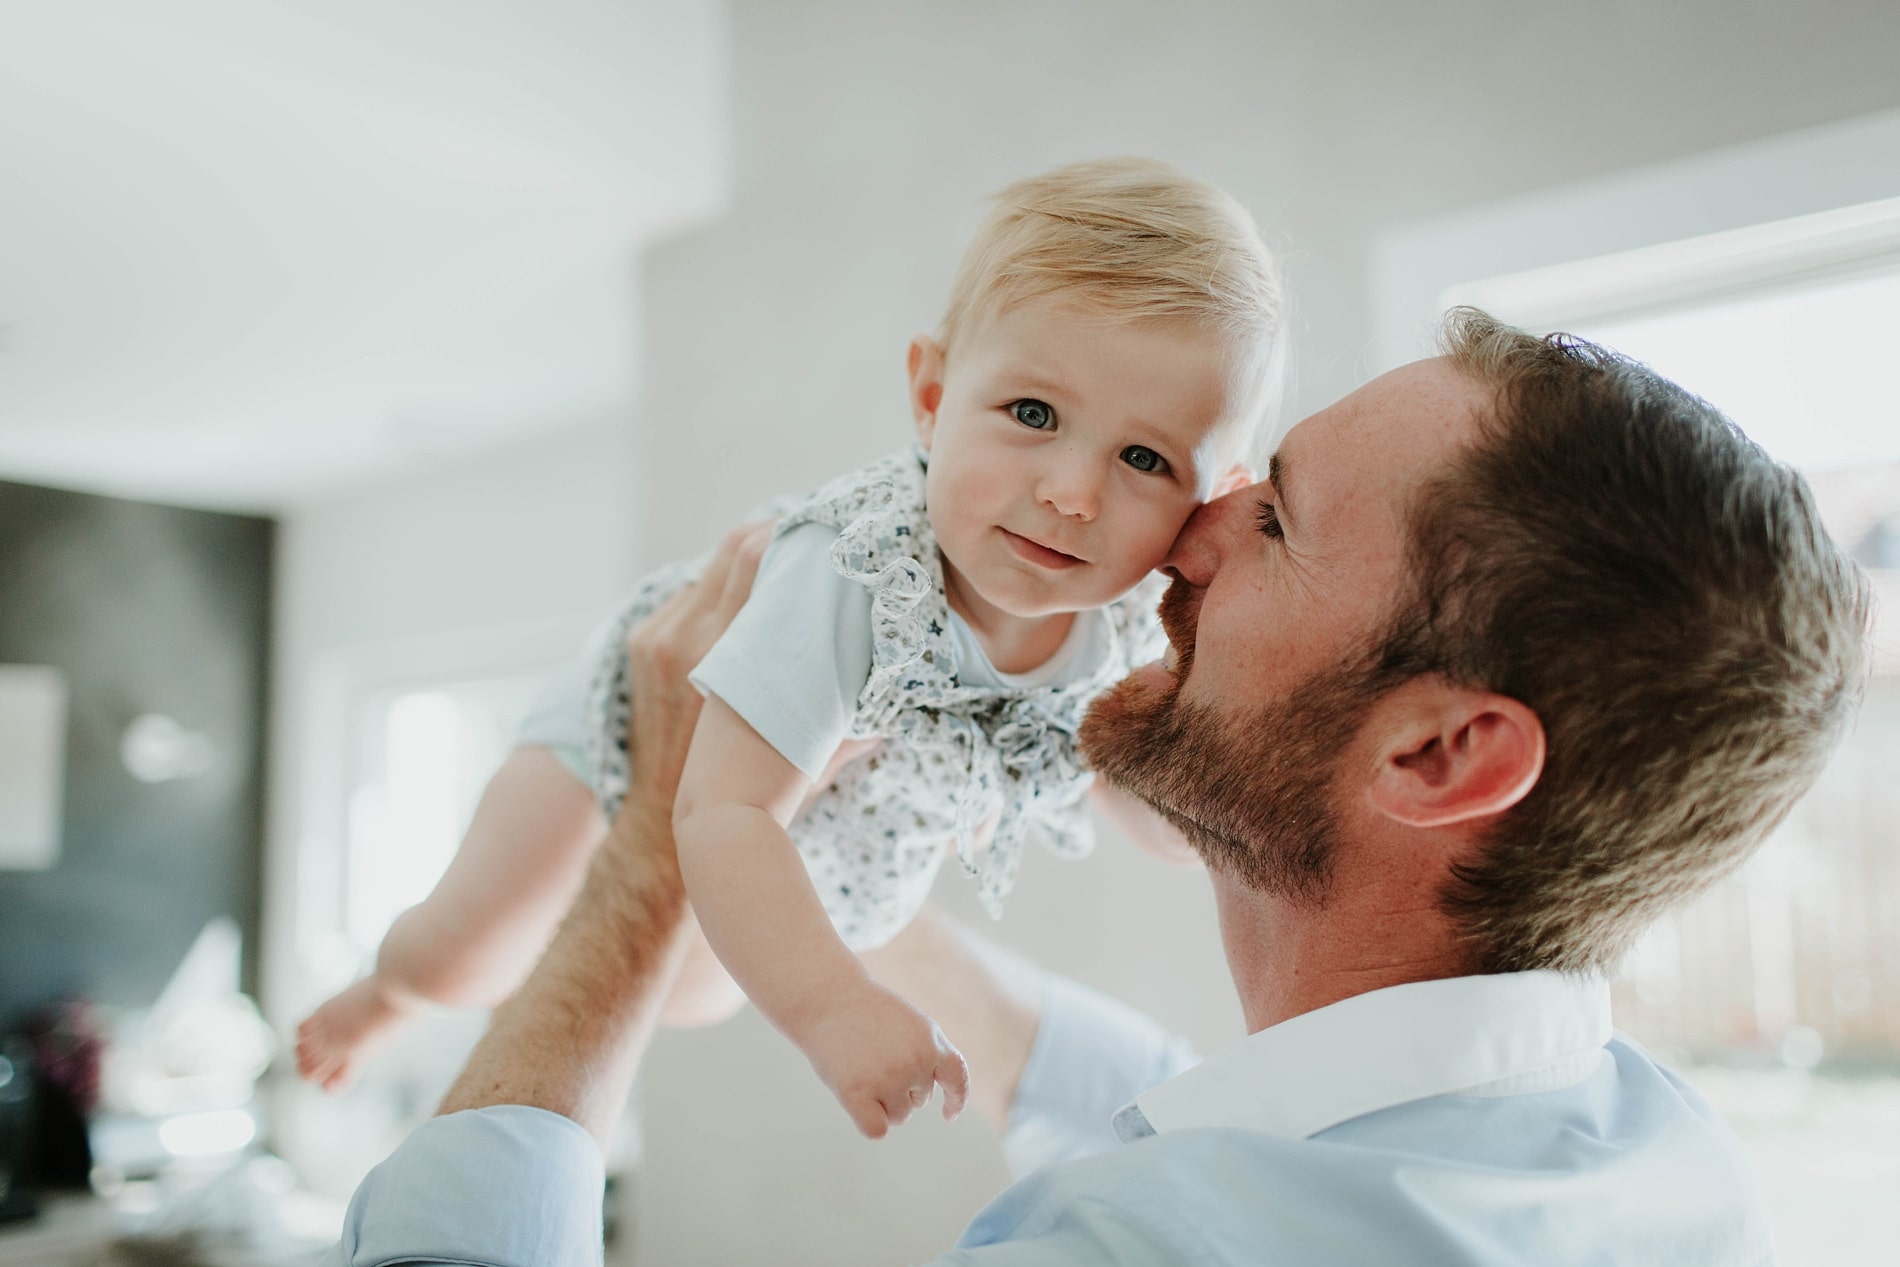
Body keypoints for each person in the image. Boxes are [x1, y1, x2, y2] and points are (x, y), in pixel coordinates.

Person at [325, 310, 1869, 1266]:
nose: (1184, 530)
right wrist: (863, 842)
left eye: (1276, 523)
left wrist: (663, 855)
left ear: (1439, 751)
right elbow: (1159, 1110)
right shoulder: (1655, 1157)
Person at [296, 158, 1283, 1138]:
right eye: (1033, 414)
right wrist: (833, 1009)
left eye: (1144, 459)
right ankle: (382, 995)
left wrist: (1237, 811)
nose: (1073, 490)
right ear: (933, 398)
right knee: (466, 951)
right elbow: (723, 807)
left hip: (803, 834)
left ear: (1213, 502)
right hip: (635, 736)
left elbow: (1132, 799)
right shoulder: (853, 573)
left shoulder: (1115, 631)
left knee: (691, 992)